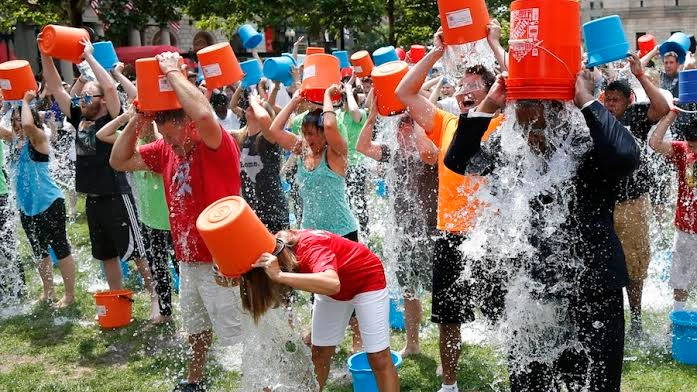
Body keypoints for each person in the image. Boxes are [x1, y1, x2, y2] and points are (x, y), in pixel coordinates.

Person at [443, 70, 640, 392]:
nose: (531, 133)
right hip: (532, 293)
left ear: (561, 115)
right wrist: (490, 103)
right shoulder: (513, 149)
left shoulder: (587, 144)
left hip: (593, 292)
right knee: (530, 383)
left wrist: (586, 100)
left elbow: (624, 156)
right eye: (523, 124)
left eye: (537, 124)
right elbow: (460, 161)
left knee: (597, 385)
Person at [110, 51, 243, 392]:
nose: (167, 144)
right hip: (187, 258)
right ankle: (194, 380)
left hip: (223, 259)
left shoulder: (216, 143)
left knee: (237, 331)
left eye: (171, 135)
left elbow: (203, 112)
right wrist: (138, 119)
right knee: (196, 326)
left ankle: (255, 381)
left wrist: (171, 72)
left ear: (188, 125)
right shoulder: (166, 148)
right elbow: (119, 160)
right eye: (163, 137)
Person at [395, 27, 497, 392]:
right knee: (449, 317)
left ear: (490, 93)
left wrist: (494, 44)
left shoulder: (501, 121)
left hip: (494, 236)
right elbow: (403, 92)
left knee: (505, 312)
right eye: (463, 85)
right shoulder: (447, 121)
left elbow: (517, 85)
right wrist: (435, 52)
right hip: (451, 233)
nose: (466, 91)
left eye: (474, 86)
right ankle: (449, 384)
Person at [40, 37, 154, 303]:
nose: (82, 99)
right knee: (106, 254)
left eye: (88, 95)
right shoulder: (79, 117)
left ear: (101, 100)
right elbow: (56, 87)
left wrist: (90, 57)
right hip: (92, 198)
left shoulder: (110, 116)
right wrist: (45, 53)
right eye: (81, 96)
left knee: (136, 252)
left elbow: (112, 90)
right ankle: (118, 299)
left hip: (117, 194)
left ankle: (156, 300)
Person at [239, 229, 400, 392]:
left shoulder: (309, 248)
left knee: (378, 357)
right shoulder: (273, 248)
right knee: (319, 353)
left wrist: (279, 275)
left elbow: (331, 283)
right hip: (332, 288)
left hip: (366, 280)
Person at [356, 105, 439, 357]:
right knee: (409, 291)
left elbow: (429, 152)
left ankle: (451, 337)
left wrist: (416, 122)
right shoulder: (393, 154)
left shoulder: (429, 154)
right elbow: (362, 147)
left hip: (430, 234)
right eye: (401, 128)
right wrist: (371, 116)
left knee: (439, 292)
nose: (403, 133)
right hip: (403, 234)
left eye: (408, 128)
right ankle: (412, 343)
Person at [602, 54, 670, 338]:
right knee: (605, 262)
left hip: (633, 203)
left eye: (617, 99)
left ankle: (637, 320)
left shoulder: (637, 116)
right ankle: (609, 320)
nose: (611, 103)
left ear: (629, 100)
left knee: (635, 264)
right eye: (608, 98)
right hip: (604, 204)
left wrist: (640, 75)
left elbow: (664, 107)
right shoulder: (596, 117)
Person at [96, 106, 175, 324]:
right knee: (159, 269)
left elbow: (160, 138)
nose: (144, 127)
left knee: (180, 267)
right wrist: (128, 117)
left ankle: (192, 310)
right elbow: (102, 134)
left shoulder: (161, 146)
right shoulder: (131, 144)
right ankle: (166, 312)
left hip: (170, 220)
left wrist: (148, 117)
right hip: (150, 220)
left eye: (149, 123)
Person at [0, 91, 77, 308]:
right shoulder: (13, 142)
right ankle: (48, 291)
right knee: (39, 251)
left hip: (50, 202)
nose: (16, 124)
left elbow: (27, 126)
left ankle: (69, 295)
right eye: (13, 121)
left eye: (19, 119)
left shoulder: (38, 139)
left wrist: (24, 101)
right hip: (27, 208)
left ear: (31, 120)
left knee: (61, 248)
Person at [649, 108, 697, 315]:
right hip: (686, 229)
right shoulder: (682, 150)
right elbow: (655, 143)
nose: (694, 150)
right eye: (692, 146)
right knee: (680, 279)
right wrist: (671, 115)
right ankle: (677, 318)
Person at [230, 95, 289, 233]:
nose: (254, 105)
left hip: (274, 211)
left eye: (261, 104)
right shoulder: (241, 138)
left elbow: (263, 119)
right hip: (252, 213)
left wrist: (254, 102)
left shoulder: (269, 137)